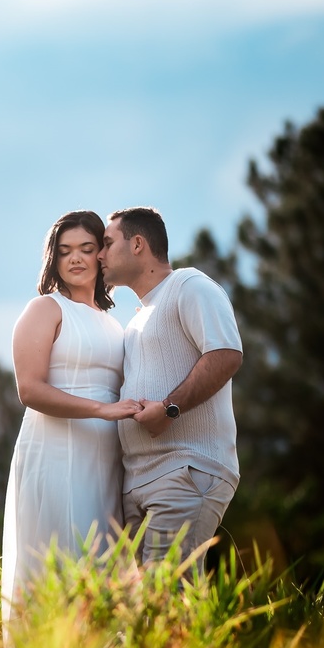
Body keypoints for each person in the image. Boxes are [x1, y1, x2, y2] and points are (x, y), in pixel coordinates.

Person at [2, 210, 142, 630]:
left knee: (103, 560)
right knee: (61, 557)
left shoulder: (113, 323)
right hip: (56, 453)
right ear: (54, 259)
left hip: (104, 459)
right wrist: (101, 410)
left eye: (86, 248)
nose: (76, 259)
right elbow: (29, 389)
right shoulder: (45, 308)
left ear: (102, 253)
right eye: (65, 251)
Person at [97, 206, 243, 575]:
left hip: (185, 470)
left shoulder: (189, 286)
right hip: (140, 483)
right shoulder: (136, 319)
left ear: (138, 244)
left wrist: (169, 409)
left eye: (107, 243)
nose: (99, 255)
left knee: (170, 601)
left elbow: (226, 354)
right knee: (144, 613)